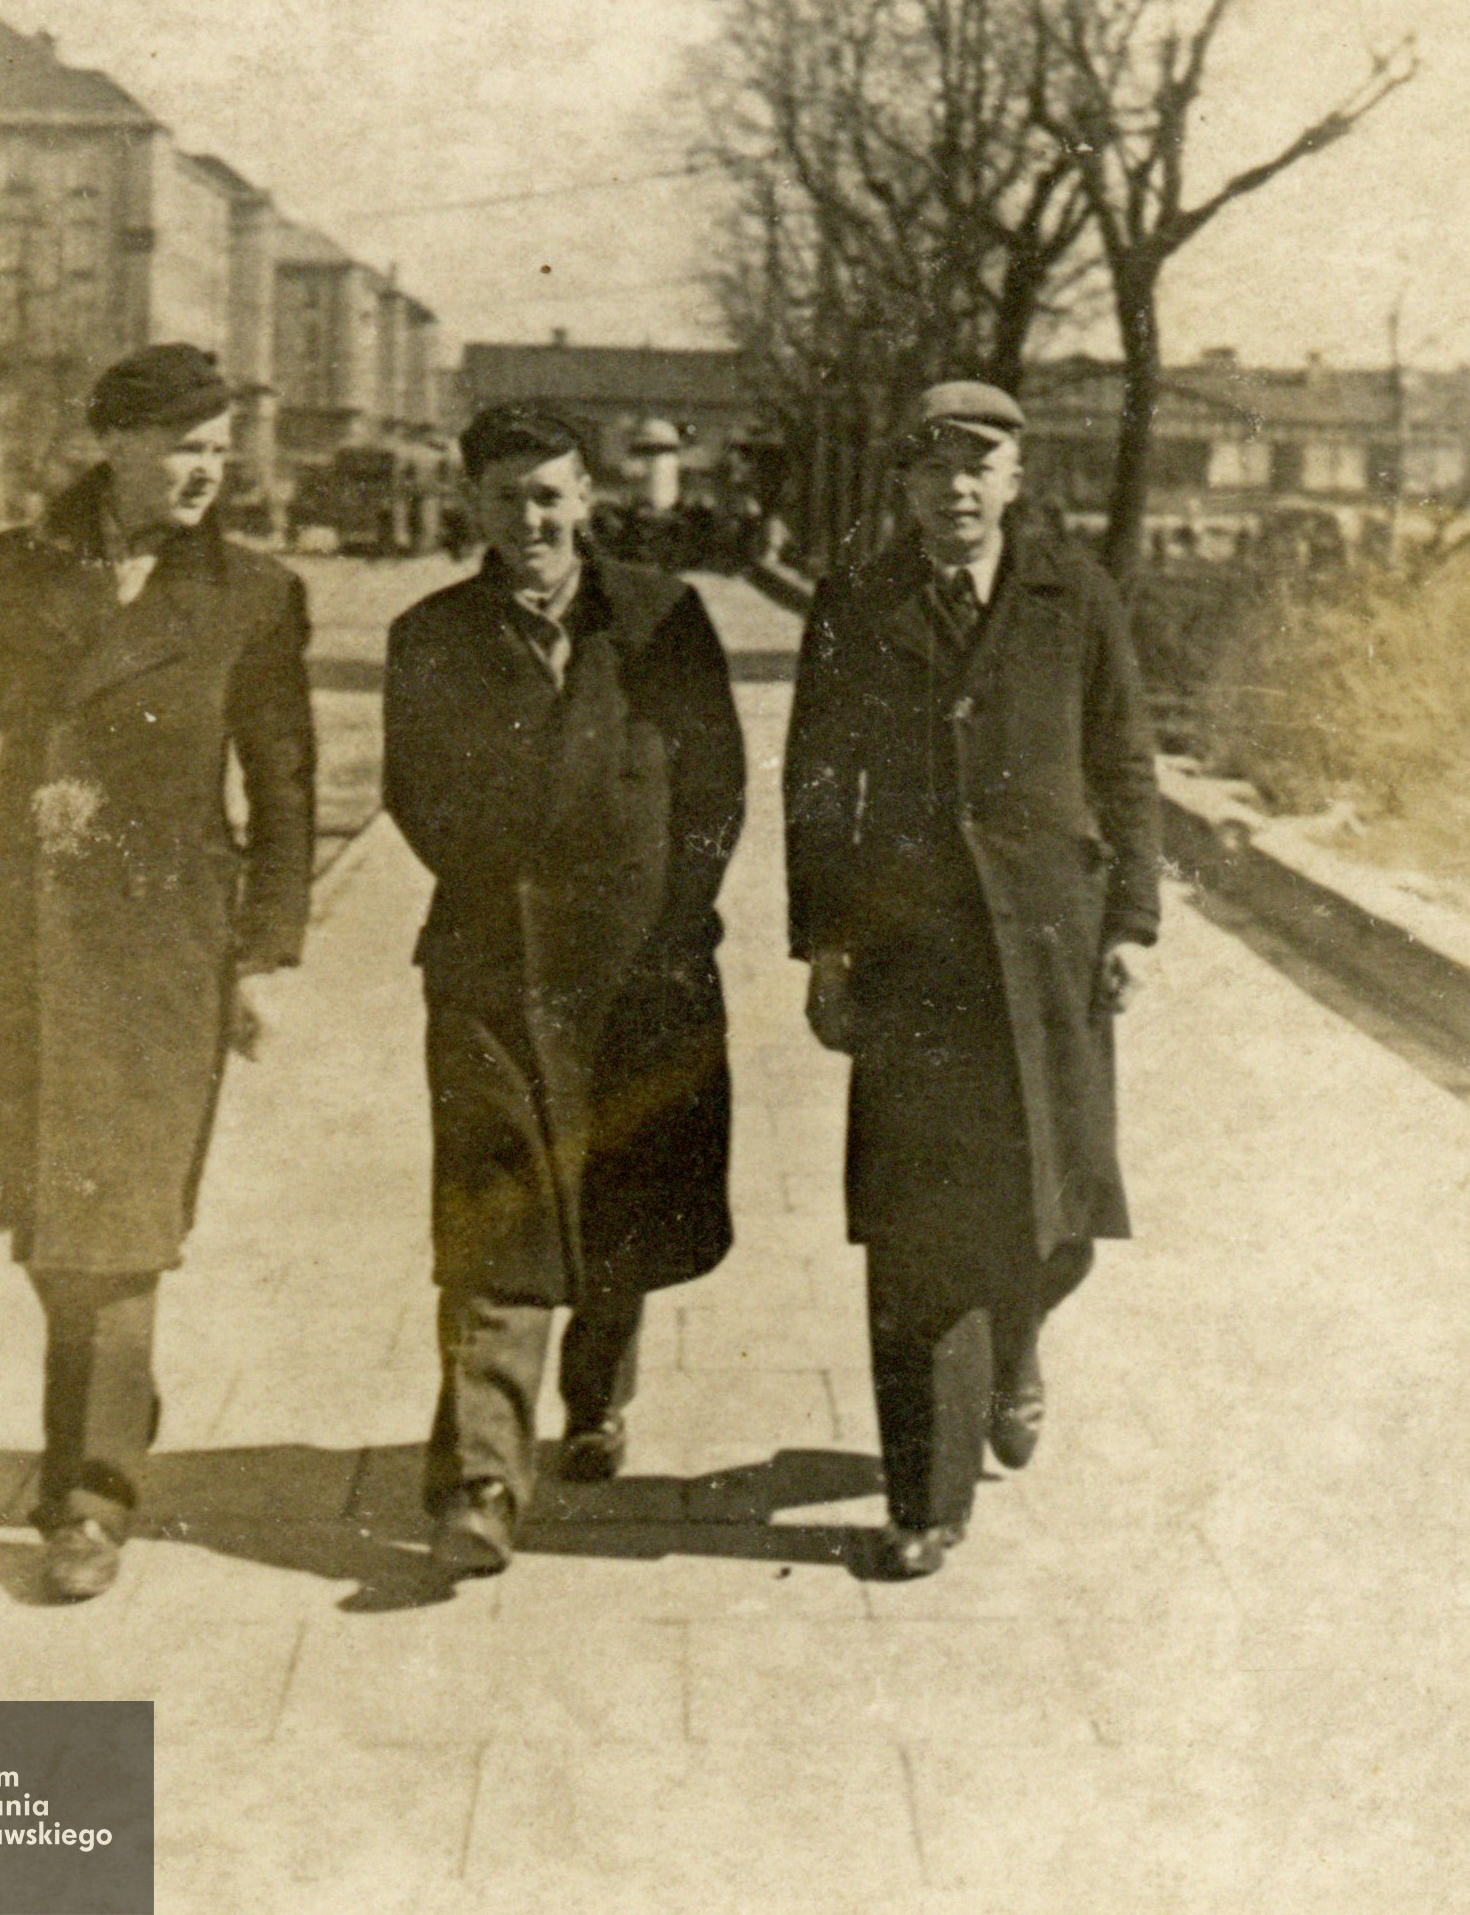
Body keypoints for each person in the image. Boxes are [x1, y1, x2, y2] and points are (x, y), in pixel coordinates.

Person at [0, 343, 315, 1601]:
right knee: (45, 1220)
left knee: (121, 1222)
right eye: (180, 447)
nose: (203, 472)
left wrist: (262, 952)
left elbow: (286, 782)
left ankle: (86, 1496)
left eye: (217, 448)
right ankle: (113, 1401)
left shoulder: (252, 594)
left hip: (163, 950)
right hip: (24, 946)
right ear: (116, 447)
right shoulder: (22, 574)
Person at [783, 381, 1160, 1578]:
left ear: (1014, 478)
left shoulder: (1073, 594)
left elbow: (1127, 760)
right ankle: (925, 1498)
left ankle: (1017, 1344)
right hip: (912, 960)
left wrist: (1134, 921)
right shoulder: (856, 601)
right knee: (916, 1229)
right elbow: (813, 780)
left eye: (978, 465)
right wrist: (825, 942)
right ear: (904, 485)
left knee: (1059, 1221)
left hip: (1051, 946)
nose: (955, 488)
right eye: (931, 468)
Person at [382, 403, 747, 1578]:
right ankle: (484, 1476)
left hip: (639, 958)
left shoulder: (663, 620)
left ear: (589, 499)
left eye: (550, 496)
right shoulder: (430, 634)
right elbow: (417, 794)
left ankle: (595, 1392)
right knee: (498, 1203)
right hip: (493, 961)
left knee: (620, 1193)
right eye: (505, 497)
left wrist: (676, 918)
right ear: (472, 505)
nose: (529, 520)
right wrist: (508, 880)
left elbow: (717, 784)